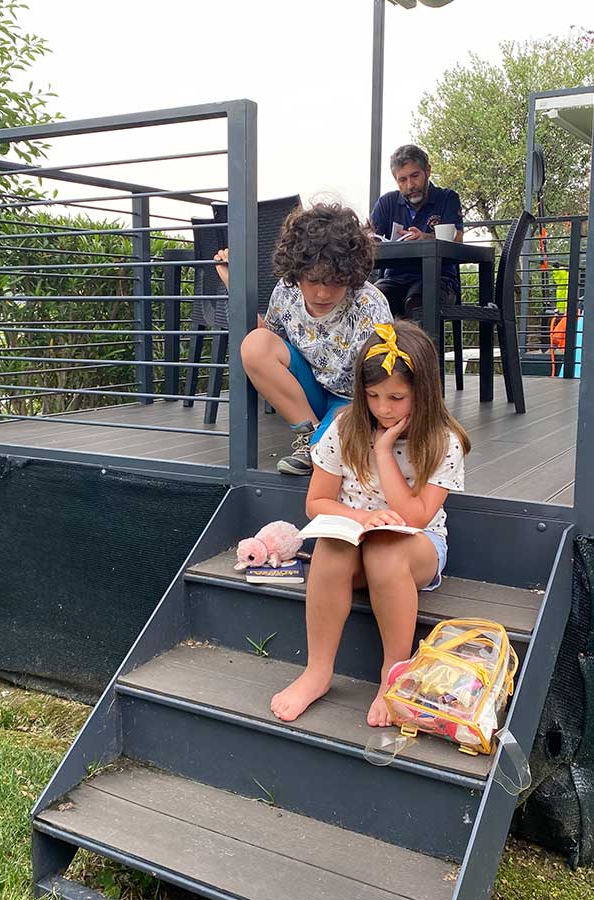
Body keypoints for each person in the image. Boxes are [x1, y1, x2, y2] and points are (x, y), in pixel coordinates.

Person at [269, 321, 471, 726]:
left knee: (385, 547)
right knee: (330, 545)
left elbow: (414, 517)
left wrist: (382, 451)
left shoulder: (442, 440)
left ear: (424, 393)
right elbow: (317, 503)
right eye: (373, 395)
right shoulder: (344, 428)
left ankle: (392, 673)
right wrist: (363, 517)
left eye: (397, 397)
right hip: (355, 541)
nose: (384, 408)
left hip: (418, 547)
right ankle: (317, 671)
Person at [216, 203, 392, 476]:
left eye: (335, 281)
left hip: (354, 399)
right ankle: (310, 437)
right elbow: (267, 338)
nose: (322, 293)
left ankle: (319, 446)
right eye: (312, 280)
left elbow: (382, 377)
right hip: (309, 389)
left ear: (352, 274)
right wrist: (234, 285)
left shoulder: (369, 304)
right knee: (255, 344)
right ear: (296, 272)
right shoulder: (286, 291)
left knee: (337, 440)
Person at [369, 144, 464, 319]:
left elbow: (458, 238)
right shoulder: (386, 203)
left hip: (439, 279)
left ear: (427, 171)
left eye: (415, 176)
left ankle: (421, 347)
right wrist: (367, 238)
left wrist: (425, 238)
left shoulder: (447, 198)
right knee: (372, 301)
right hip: (394, 280)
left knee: (417, 302)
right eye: (402, 180)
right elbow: (369, 237)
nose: (410, 185)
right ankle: (383, 347)